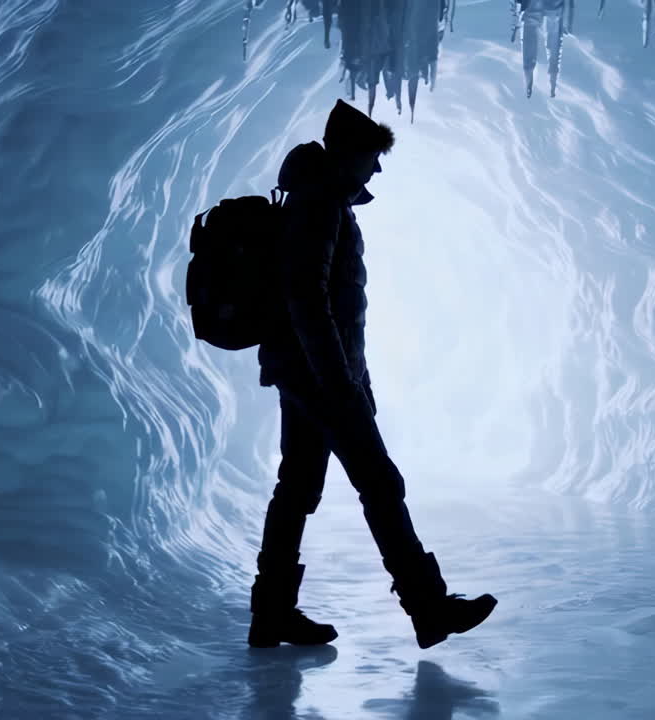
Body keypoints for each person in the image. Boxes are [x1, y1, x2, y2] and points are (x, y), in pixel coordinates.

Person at [248, 99, 497, 650]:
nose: (378, 169)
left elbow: (321, 301)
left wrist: (348, 376)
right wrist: (340, 381)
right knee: (379, 484)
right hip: (320, 376)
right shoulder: (320, 204)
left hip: (305, 369)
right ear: (349, 155)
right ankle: (429, 608)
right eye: (373, 157)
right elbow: (307, 297)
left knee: (298, 488)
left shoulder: (319, 197)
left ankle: (271, 613)